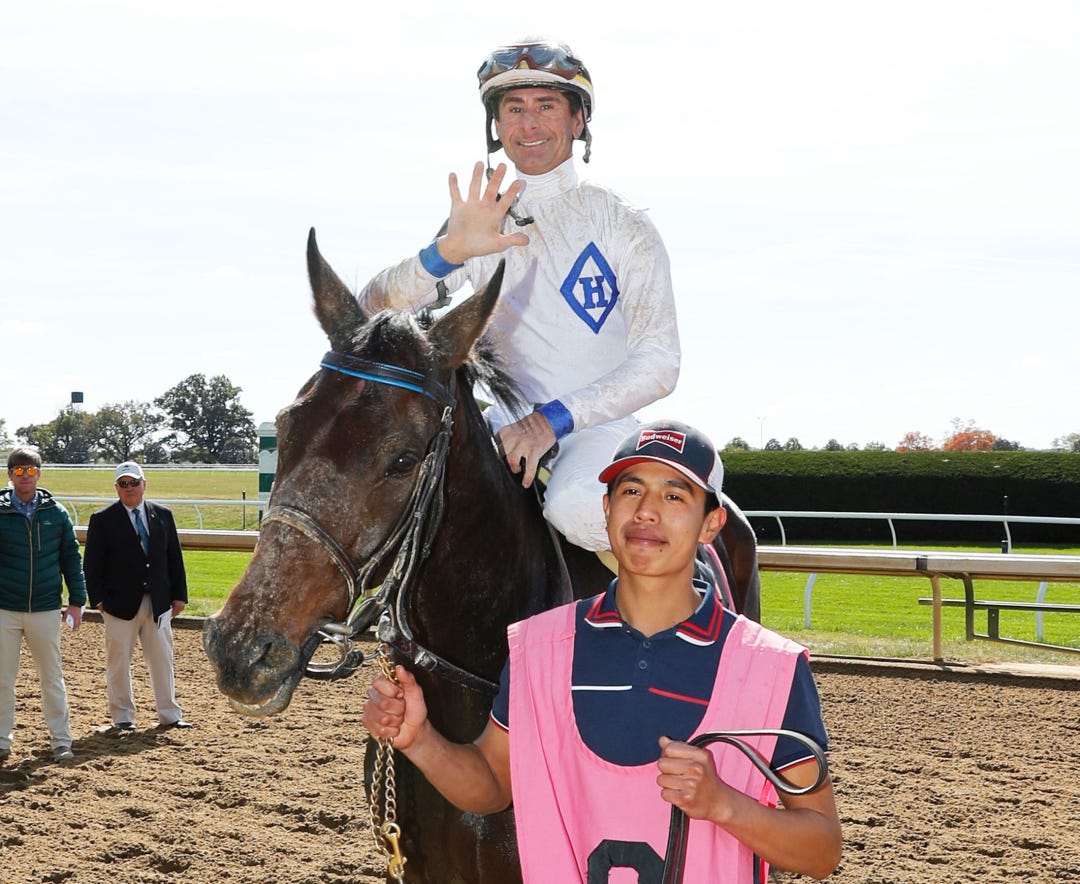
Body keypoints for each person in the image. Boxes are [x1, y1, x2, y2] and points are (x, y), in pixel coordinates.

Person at [363, 420, 843, 882]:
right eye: (631, 491)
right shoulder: (538, 649)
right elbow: (490, 784)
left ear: (711, 524)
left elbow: (822, 850)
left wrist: (725, 805)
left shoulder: (771, 668)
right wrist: (420, 740)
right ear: (607, 509)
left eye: (674, 495)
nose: (646, 512)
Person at [358, 38, 680, 552]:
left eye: (546, 106)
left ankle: (676, 609)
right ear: (497, 127)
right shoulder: (477, 220)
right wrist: (445, 253)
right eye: (514, 108)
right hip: (499, 425)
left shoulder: (623, 221)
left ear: (578, 122)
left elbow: (661, 362)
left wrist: (550, 420)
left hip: (598, 430)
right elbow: (369, 311)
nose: (529, 124)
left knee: (575, 507)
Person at [82, 462, 191, 731]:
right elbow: (92, 565)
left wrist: (179, 596)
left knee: (163, 660)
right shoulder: (102, 519)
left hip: (159, 602)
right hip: (118, 605)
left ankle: (170, 714)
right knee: (118, 663)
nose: (129, 488)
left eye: (134, 482)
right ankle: (123, 718)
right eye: (123, 484)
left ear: (144, 483)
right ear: (117, 487)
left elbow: (174, 558)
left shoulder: (163, 515)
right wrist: (98, 601)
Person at [0, 446, 86, 763]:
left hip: (47, 608)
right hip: (5, 608)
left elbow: (71, 561)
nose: (25, 476)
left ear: (40, 473)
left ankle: (61, 741)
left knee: (52, 677)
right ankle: (1, 741)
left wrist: (77, 602)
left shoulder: (57, 514)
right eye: (19, 471)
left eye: (31, 470)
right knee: (3, 678)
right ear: (10, 474)